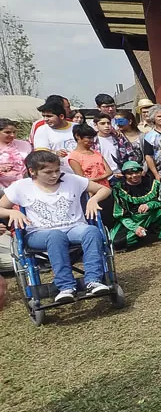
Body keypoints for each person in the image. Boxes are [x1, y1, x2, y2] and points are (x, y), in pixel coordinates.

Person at [0, 150, 112, 302]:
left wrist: (93, 200)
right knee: (55, 235)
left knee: (91, 231)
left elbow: (104, 189)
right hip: (39, 233)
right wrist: (10, 213)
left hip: (73, 228)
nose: (54, 175)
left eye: (57, 170)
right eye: (48, 172)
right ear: (32, 171)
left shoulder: (72, 180)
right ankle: (66, 287)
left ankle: (93, 281)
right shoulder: (20, 186)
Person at [110, 160, 161, 250]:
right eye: (130, 173)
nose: (134, 175)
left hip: (152, 215)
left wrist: (149, 205)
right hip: (131, 219)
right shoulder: (120, 189)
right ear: (124, 175)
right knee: (117, 243)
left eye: (137, 172)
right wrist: (135, 228)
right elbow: (121, 214)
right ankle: (142, 235)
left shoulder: (153, 183)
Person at [33, 101, 78, 175]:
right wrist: (55, 153)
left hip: (83, 172)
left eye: (49, 116)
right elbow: (40, 153)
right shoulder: (42, 130)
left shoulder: (77, 127)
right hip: (60, 174)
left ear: (61, 116)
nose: (45, 119)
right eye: (44, 116)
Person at [68, 124, 113, 189]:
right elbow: (82, 180)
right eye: (89, 138)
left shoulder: (96, 153)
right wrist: (103, 176)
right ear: (77, 136)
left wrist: (92, 179)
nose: (92, 140)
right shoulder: (74, 157)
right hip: (91, 193)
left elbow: (109, 172)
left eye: (92, 138)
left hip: (106, 189)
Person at [0, 118, 31, 193]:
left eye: (14, 132)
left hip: (22, 183)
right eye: (7, 132)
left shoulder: (24, 145)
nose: (12, 135)